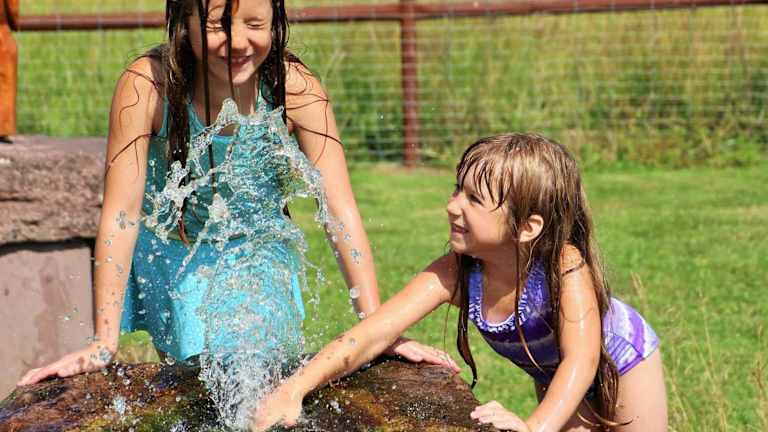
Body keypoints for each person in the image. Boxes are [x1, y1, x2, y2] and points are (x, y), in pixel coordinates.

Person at [17, 0, 454, 389]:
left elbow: (338, 210)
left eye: (255, 24)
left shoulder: (295, 89)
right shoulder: (148, 86)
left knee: (256, 384)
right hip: (174, 253)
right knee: (196, 388)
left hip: (258, 250)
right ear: (184, 19)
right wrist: (103, 341)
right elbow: (122, 215)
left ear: (275, 21)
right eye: (217, 25)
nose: (239, 41)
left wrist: (375, 328)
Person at [250, 133, 668, 432]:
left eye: (474, 199)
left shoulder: (564, 264)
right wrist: (295, 387)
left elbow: (582, 360)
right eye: (457, 190)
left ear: (527, 227)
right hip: (554, 371)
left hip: (621, 364)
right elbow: (371, 334)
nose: (452, 206)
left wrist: (533, 427)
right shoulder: (459, 272)